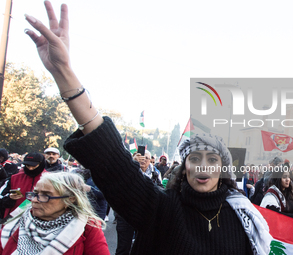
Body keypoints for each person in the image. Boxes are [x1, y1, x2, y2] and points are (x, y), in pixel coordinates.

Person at [24, 2, 272, 254]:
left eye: (211, 159)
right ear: (184, 167)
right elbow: (114, 164)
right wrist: (63, 71)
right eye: (194, 158)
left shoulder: (244, 218)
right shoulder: (161, 207)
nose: (202, 165)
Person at [0, 172, 110, 254]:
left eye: (45, 195)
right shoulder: (17, 221)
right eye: (35, 193)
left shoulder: (87, 226)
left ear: (70, 199)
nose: (34, 200)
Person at [0, 152, 47, 221]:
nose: (30, 168)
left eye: (34, 166)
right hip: (13, 219)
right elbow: (1, 196)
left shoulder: (49, 179)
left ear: (41, 164)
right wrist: (9, 198)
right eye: (27, 165)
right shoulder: (14, 178)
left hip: (38, 220)